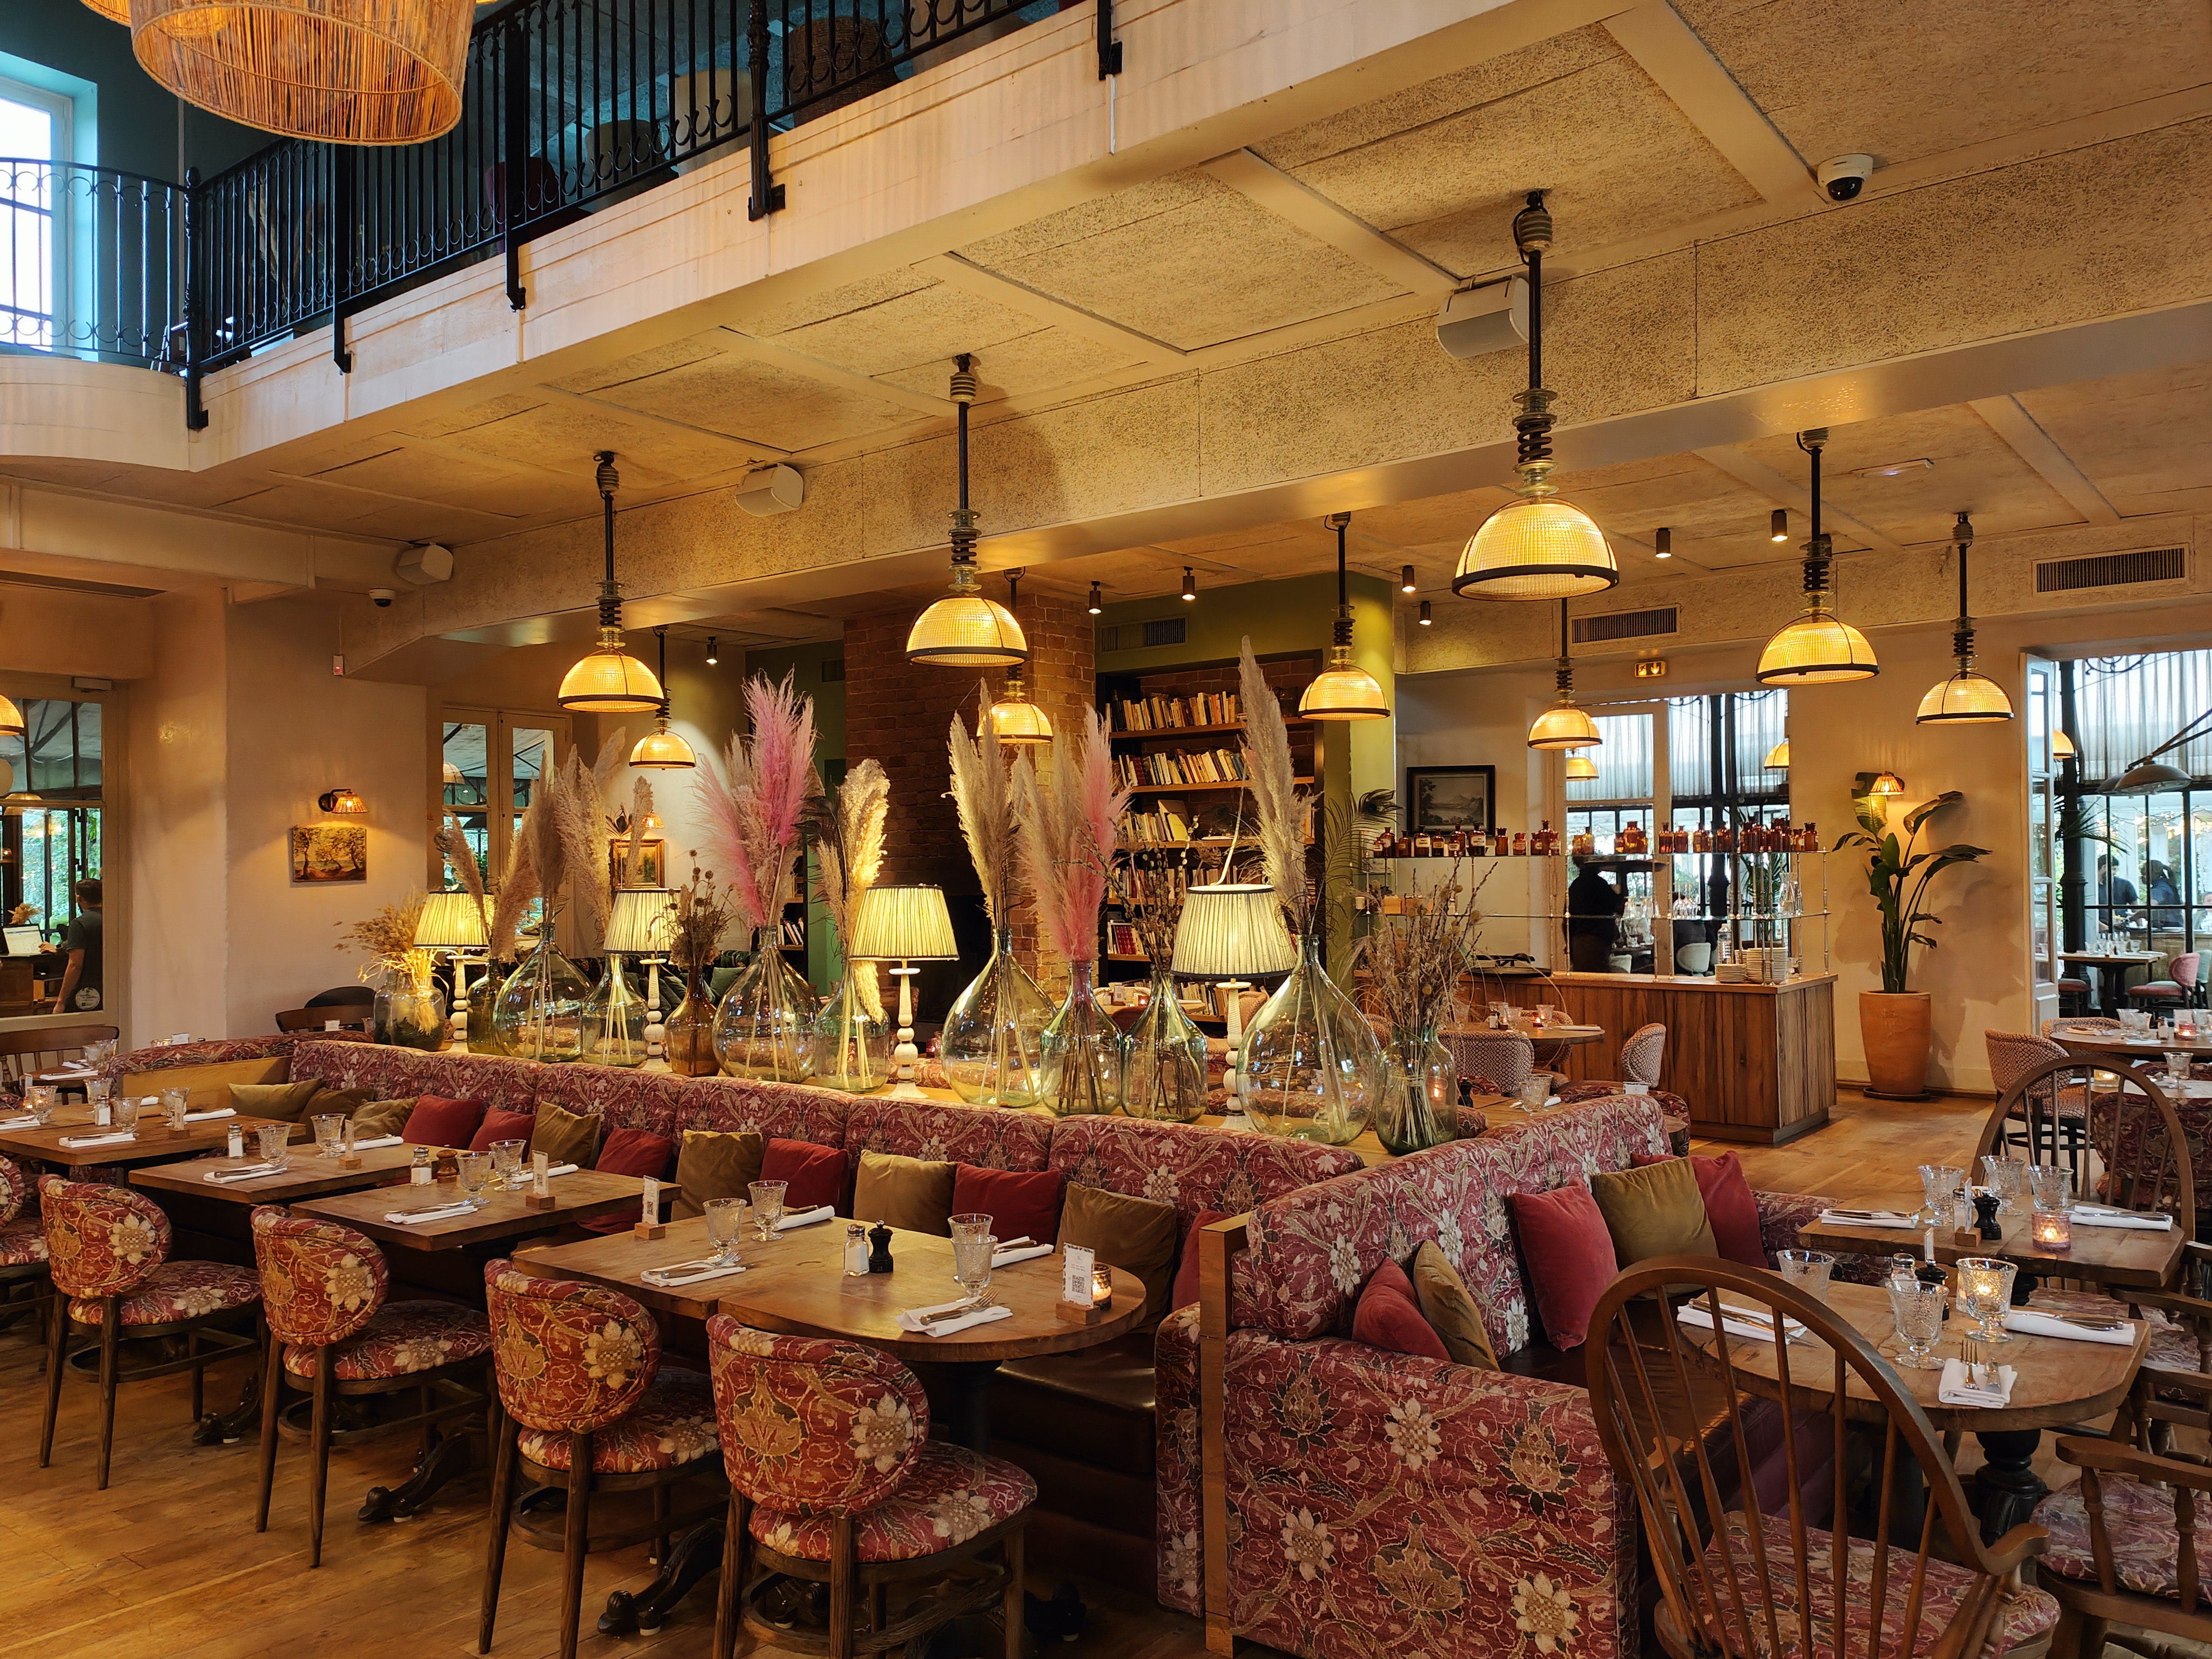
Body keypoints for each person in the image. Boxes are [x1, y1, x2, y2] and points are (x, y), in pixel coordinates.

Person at [49, 877, 102, 1014]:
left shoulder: (79, 924)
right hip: (113, 988)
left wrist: (61, 1001)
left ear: (79, 898)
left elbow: (75, 965)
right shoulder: (114, 919)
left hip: (86, 991)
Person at [1566, 859, 1625, 973]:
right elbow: (1618, 906)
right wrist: (1623, 876)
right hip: (1594, 941)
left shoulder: (1576, 885)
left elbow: (1569, 920)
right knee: (1597, 978)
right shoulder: (1598, 884)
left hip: (1579, 941)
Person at [2095, 856, 2137, 936]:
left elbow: (2136, 910)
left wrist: (2140, 930)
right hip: (2099, 932)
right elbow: (2088, 915)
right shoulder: (2091, 888)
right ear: (2104, 867)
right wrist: (2106, 929)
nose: (2115, 873)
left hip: (2122, 930)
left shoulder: (2125, 885)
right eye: (2113, 869)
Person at [2140, 860, 2184, 932]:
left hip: (2166, 929)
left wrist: (2133, 918)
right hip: (2177, 927)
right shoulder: (2168, 885)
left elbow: (2149, 908)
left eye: (2144, 874)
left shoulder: (2158, 889)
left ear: (2153, 874)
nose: (2142, 877)